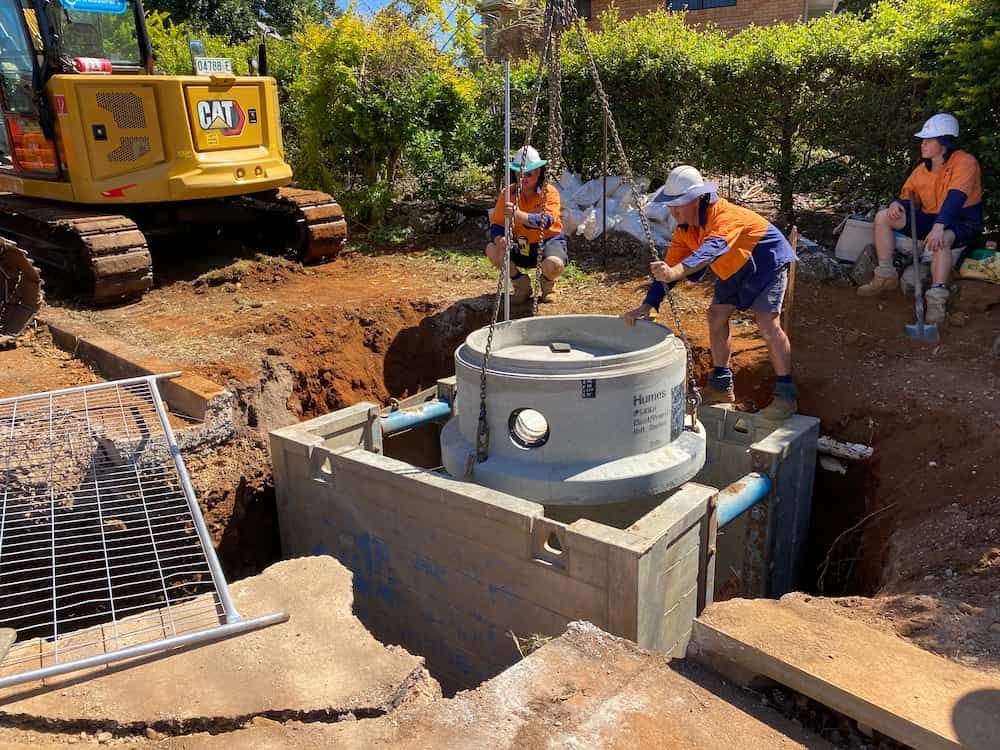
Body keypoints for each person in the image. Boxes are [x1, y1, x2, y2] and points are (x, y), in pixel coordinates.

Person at [622, 165, 798, 420]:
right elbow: (670, 270)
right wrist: (647, 305)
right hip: (733, 266)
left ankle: (786, 394)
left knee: (767, 323)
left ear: (697, 200)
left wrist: (674, 272)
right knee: (716, 315)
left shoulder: (724, 216)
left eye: (678, 204)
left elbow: (711, 251)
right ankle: (721, 385)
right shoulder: (685, 230)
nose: (672, 210)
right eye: (670, 204)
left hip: (766, 260)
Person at [857, 113, 984, 323]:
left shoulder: (965, 162)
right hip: (933, 218)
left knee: (941, 238)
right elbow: (909, 197)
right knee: (882, 217)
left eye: (928, 139)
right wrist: (898, 205)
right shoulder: (921, 170)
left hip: (962, 222)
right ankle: (886, 274)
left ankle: (936, 298)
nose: (922, 144)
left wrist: (939, 227)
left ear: (944, 141)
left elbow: (956, 198)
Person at [485, 146, 567, 304]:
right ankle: (521, 284)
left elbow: (547, 220)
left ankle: (548, 284)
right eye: (519, 173)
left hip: (548, 242)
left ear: (538, 173)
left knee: (554, 264)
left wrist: (518, 215)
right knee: (492, 249)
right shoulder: (508, 194)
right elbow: (497, 224)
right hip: (522, 244)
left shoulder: (549, 192)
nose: (524, 178)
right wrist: (499, 239)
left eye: (529, 174)